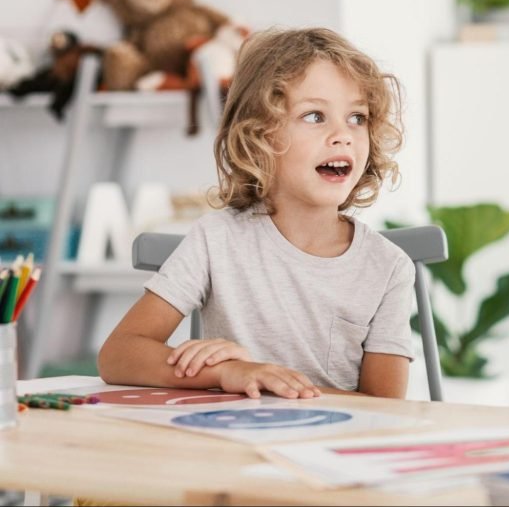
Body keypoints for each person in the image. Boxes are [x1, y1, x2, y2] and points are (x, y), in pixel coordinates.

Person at [99, 27, 414, 399]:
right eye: (315, 116)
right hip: (234, 447)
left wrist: (278, 387)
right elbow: (117, 355)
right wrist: (225, 372)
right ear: (258, 136)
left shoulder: (389, 267)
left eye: (357, 118)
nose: (343, 135)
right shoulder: (217, 239)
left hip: (329, 447)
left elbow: (386, 409)